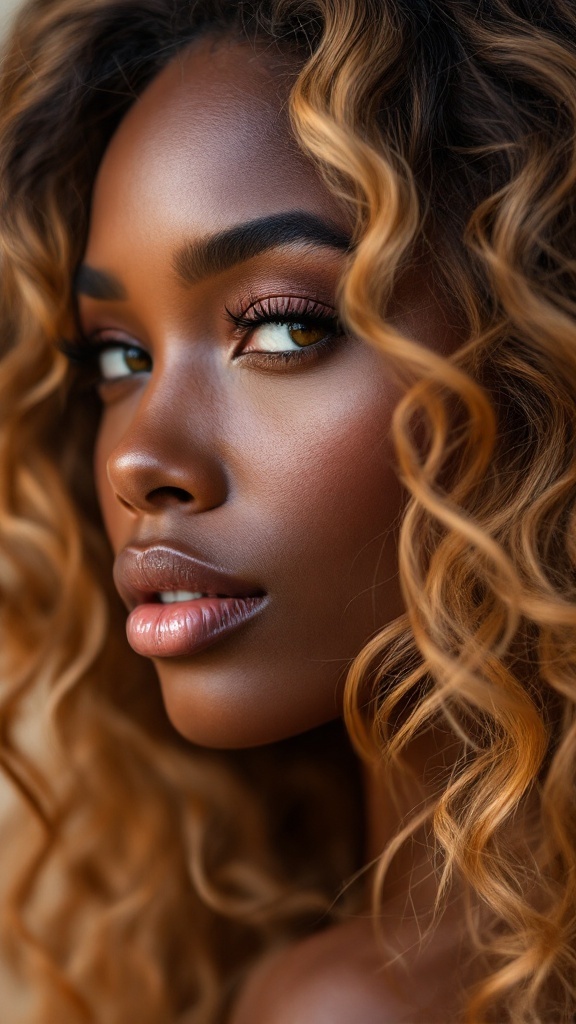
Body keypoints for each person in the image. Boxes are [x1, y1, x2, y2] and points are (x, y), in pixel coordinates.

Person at [0, 0, 575, 1020]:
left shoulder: (356, 1002)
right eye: (119, 357)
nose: (141, 457)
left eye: (281, 330)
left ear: (538, 350)